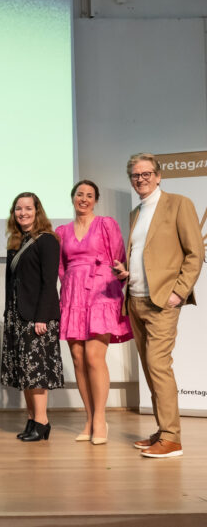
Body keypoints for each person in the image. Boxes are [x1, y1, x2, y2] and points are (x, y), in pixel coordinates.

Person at [113, 152, 204, 458]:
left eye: (146, 174)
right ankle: (162, 431)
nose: (141, 179)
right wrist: (127, 273)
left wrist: (179, 292)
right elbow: (148, 256)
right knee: (150, 370)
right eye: (135, 175)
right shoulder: (136, 212)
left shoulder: (178, 204)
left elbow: (195, 253)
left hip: (163, 301)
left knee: (158, 366)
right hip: (136, 299)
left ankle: (172, 438)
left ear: (158, 175)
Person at [56, 180, 132, 445]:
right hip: (73, 295)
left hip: (101, 292)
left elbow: (119, 258)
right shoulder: (61, 231)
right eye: (80, 194)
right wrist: (69, 290)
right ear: (73, 197)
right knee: (78, 358)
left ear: (96, 200)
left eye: (89, 195)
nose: (84, 199)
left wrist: (114, 282)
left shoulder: (106, 224)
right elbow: (62, 268)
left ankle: (100, 419)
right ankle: (89, 419)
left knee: (93, 357)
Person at [1, 192, 62, 442]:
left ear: (37, 211)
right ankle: (32, 419)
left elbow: (49, 282)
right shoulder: (16, 241)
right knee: (24, 372)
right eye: (18, 208)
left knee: (36, 373)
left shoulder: (47, 240)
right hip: (17, 316)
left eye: (28, 208)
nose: (23, 213)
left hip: (37, 317)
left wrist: (42, 317)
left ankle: (42, 422)